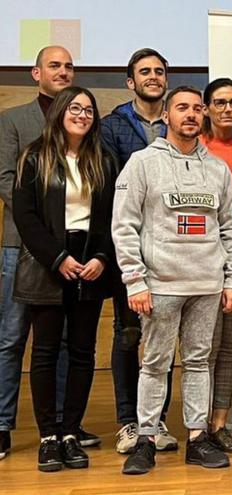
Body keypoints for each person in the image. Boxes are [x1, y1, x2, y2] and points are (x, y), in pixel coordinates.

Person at [114, 86, 232, 475]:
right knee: (154, 363)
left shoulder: (217, 169)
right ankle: (147, 439)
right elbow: (124, 226)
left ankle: (197, 438)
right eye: (181, 108)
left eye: (196, 109)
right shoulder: (141, 163)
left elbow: (230, 229)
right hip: (160, 285)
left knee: (199, 362)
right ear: (165, 115)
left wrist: (231, 278)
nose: (190, 114)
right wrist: (135, 280)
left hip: (206, 284)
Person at [0, 45, 100, 460]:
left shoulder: (97, 155)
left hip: (82, 257)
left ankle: (64, 426)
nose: (63, 70)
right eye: (54, 65)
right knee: (13, 339)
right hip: (23, 248)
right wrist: (47, 232)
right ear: (35, 72)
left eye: (69, 65)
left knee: (73, 345)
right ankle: (5, 424)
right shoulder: (14, 123)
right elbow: (8, 181)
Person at [12, 87, 117, 471]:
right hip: (48, 264)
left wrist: (103, 257)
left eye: (89, 110)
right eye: (75, 108)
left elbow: (111, 217)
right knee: (44, 353)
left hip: (91, 264)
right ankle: (48, 437)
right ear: (59, 111)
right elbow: (26, 218)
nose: (82, 115)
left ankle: (71, 433)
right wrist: (57, 258)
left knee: (82, 353)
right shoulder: (35, 157)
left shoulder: (103, 160)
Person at [100, 48, 178, 453]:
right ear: (131, 82)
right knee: (128, 334)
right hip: (129, 247)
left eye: (159, 71)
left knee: (163, 338)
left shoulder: (180, 124)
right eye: (144, 72)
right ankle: (129, 422)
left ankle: (157, 420)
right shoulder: (112, 127)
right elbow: (112, 187)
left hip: (173, 250)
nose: (153, 77)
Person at [200, 78, 232, 453]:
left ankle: (219, 423)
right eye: (219, 102)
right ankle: (197, 426)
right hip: (201, 259)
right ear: (207, 108)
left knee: (231, 345)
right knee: (205, 347)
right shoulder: (196, 149)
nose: (227, 108)